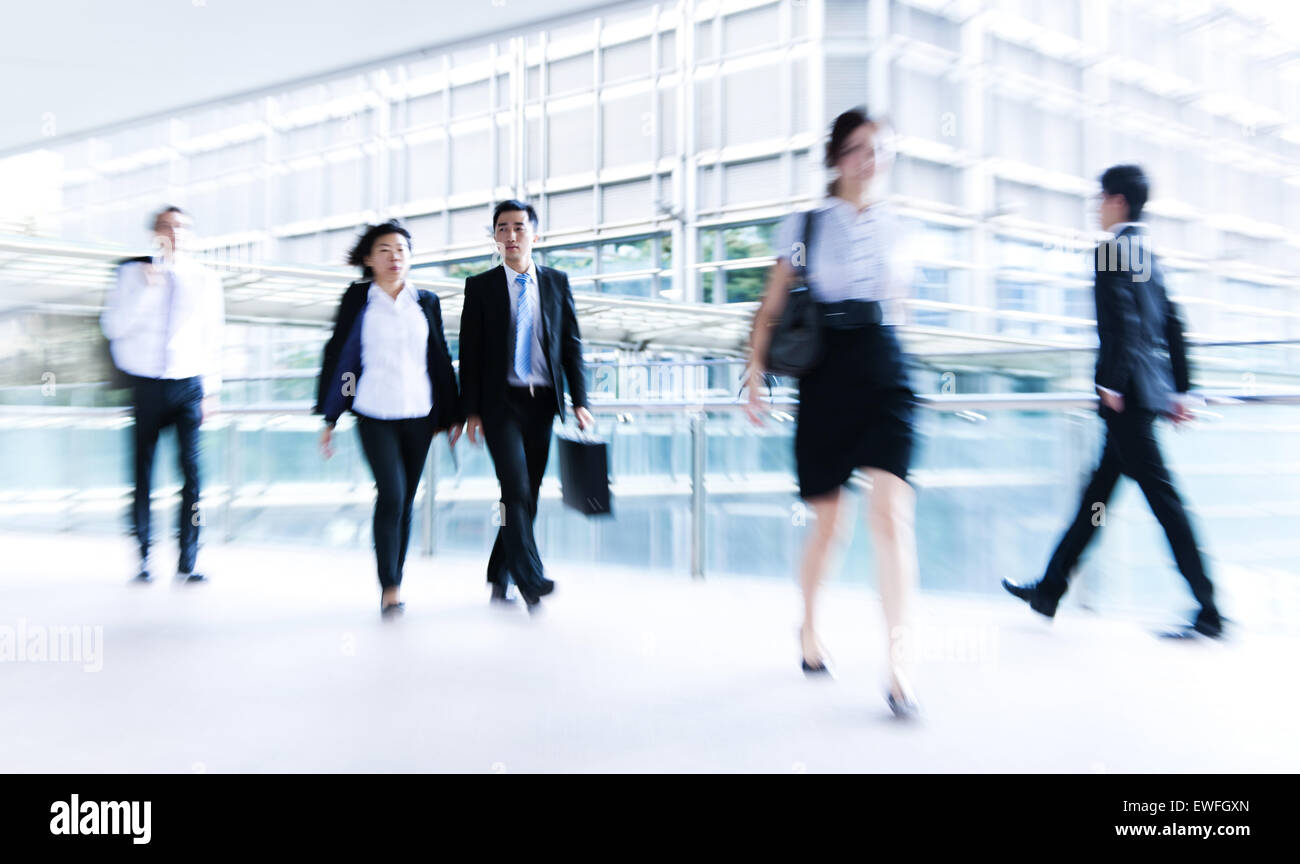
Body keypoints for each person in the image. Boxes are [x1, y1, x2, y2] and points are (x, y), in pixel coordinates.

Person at [745, 108, 921, 718]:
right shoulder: (804, 224)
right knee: (830, 523)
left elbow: (903, 308)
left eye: (878, 149)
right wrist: (754, 376)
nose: (869, 160)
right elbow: (770, 307)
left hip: (887, 366)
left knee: (893, 511)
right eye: (856, 148)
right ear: (836, 156)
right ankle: (809, 628)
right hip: (827, 374)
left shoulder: (902, 228)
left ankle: (899, 666)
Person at [1003, 165, 1222, 639]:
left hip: (1128, 402)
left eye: (1100, 198)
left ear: (1118, 201)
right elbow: (1174, 326)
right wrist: (1181, 390)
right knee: (1096, 499)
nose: (1096, 208)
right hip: (1145, 396)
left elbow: (1119, 324)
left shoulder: (1111, 252)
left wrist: (1112, 385)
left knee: (1165, 504)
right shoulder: (1149, 254)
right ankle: (1050, 590)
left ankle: (1210, 610)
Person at [315, 220, 463, 617]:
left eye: (401, 249)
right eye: (384, 249)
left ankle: (396, 576)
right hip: (373, 412)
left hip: (420, 414)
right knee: (392, 495)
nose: (394, 256)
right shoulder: (358, 299)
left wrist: (451, 417)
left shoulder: (425, 300)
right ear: (369, 259)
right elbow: (342, 358)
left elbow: (439, 361)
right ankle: (390, 588)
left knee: (406, 501)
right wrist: (331, 416)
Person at [459, 199, 593, 612]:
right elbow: (470, 352)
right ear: (495, 237)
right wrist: (471, 411)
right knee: (515, 487)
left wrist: (580, 401)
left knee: (523, 495)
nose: (511, 235)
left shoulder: (556, 282)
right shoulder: (480, 287)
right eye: (503, 228)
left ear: (534, 235)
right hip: (501, 405)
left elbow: (570, 345)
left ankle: (499, 572)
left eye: (519, 227)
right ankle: (530, 578)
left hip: (542, 404)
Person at [101, 206, 224, 584]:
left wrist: (212, 391)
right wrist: (147, 292)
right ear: (154, 232)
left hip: (188, 385)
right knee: (143, 473)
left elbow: (213, 336)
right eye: (167, 226)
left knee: (192, 476)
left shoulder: (205, 278)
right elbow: (113, 327)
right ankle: (142, 556)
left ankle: (188, 559)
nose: (175, 233)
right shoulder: (130, 274)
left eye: (182, 226)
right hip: (147, 384)